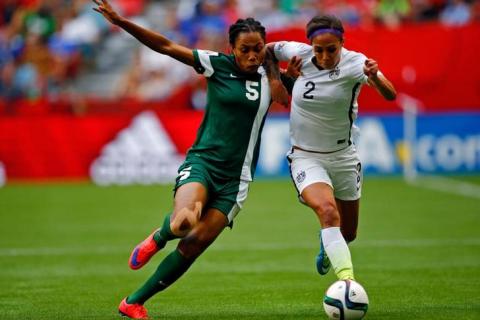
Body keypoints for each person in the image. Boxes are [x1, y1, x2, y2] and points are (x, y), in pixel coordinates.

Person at [92, 0, 289, 319]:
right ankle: (158, 237)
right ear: (232, 49)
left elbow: (314, 85)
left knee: (194, 244)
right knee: (185, 222)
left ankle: (133, 302)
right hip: (203, 165)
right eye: (245, 50)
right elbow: (167, 46)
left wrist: (284, 79)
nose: (252, 56)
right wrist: (121, 22)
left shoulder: (273, 78)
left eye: (258, 49)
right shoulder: (216, 64)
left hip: (236, 181)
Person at [265, 14, 396, 281]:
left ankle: (328, 246)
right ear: (310, 45)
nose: (324, 56)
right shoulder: (297, 53)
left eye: (331, 49)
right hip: (305, 156)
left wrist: (375, 78)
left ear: (342, 42)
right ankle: (347, 283)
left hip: (344, 157)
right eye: (318, 50)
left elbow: (390, 94)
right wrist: (275, 81)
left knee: (348, 233)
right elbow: (267, 50)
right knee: (327, 212)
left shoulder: (356, 63)